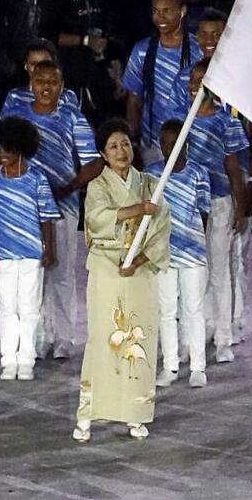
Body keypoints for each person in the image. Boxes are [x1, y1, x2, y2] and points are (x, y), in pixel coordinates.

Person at [73, 117, 170, 442]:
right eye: (113, 146)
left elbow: (160, 228)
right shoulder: (98, 186)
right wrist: (135, 210)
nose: (121, 151)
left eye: (125, 143)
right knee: (104, 338)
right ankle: (88, 413)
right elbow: (97, 220)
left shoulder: (149, 184)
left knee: (138, 339)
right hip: (107, 270)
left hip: (139, 272)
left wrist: (140, 259)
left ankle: (135, 412)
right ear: (103, 153)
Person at [0, 60, 103, 359]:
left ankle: (64, 338)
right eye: (40, 80)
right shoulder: (16, 117)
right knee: (33, 274)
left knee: (62, 272)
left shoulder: (72, 117)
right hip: (24, 209)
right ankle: (40, 336)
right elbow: (0, 157)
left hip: (63, 207)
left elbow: (93, 162)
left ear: (62, 85)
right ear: (31, 83)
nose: (46, 87)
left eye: (52, 82)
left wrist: (68, 188)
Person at [0, 116, 59, 380]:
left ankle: (26, 359)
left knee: (29, 306)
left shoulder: (37, 179)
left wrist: (49, 249)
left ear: (21, 148)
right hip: (1, 252)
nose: (1, 154)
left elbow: (46, 217)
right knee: (6, 306)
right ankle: (7, 358)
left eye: (7, 149)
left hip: (31, 252)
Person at [178, 59, 247, 363]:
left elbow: (233, 167)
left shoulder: (227, 121)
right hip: (187, 206)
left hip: (219, 202)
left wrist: (240, 206)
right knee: (190, 271)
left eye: (203, 80)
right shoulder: (179, 119)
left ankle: (223, 337)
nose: (197, 85)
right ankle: (192, 335)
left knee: (219, 271)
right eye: (194, 80)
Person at [145, 119, 210, 388]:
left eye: (176, 143)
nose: (170, 148)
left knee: (193, 308)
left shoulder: (199, 173)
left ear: (186, 144)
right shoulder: (151, 174)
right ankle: (170, 365)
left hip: (193, 253)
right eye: (165, 143)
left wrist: (193, 240)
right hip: (163, 253)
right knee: (166, 310)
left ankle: (198, 367)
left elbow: (204, 210)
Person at [124, 0, 202, 165]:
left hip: (192, 141)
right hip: (153, 144)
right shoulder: (142, 51)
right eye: (156, 11)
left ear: (182, 11)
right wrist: (133, 140)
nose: (160, 17)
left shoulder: (198, 50)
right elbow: (134, 99)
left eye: (166, 10)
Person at [0, 39, 78, 113]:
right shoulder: (14, 97)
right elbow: (4, 127)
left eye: (45, 63)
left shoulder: (68, 96)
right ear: (26, 66)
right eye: (33, 64)